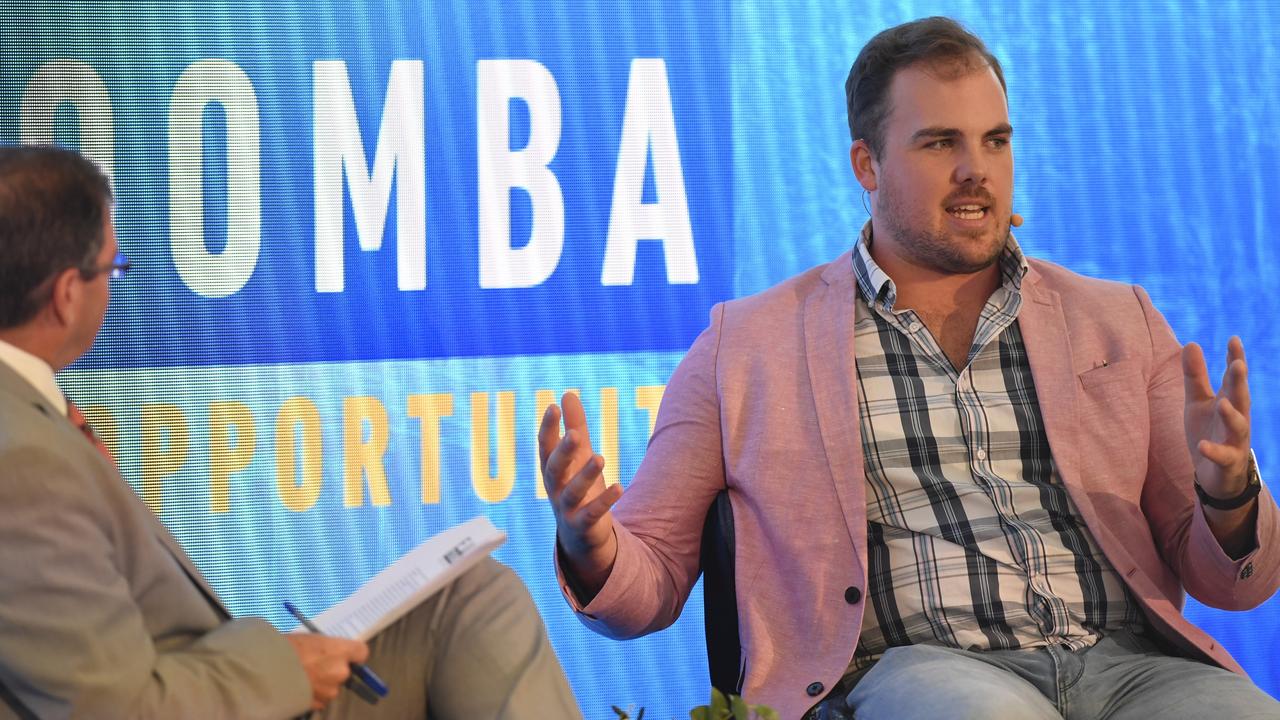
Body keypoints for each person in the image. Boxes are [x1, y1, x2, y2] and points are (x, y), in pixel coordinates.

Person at [540, 16, 1280, 720]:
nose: (975, 171)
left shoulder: (1117, 320)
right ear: (867, 162)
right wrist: (590, 542)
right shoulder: (747, 347)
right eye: (939, 144)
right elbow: (652, 584)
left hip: (1130, 667)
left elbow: (1232, 585)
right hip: (925, 670)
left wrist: (1231, 497)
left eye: (995, 141)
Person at [0, 145, 582, 720]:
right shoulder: (23, 462)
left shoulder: (28, 412)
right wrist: (285, 670)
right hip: (219, 696)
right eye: (113, 268)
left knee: (467, 596)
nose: (113, 286)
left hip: (219, 679)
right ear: (66, 294)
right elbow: (116, 708)